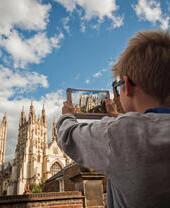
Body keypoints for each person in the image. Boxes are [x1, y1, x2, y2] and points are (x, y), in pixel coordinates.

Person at [56, 30, 170, 208]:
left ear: (128, 87)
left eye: (118, 86)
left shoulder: (119, 132)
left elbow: (68, 136)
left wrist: (67, 115)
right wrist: (116, 116)